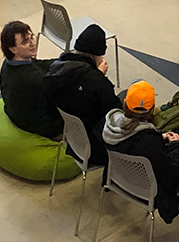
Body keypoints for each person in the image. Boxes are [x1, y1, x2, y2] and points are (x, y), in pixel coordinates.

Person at [103, 80, 179, 221]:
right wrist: (175, 145)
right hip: (152, 191)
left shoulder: (110, 126)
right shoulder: (149, 142)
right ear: (152, 109)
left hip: (122, 180)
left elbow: (133, 140)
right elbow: (171, 176)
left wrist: (161, 138)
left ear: (125, 103)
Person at [45, 24, 122, 165]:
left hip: (73, 141)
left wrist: (95, 74)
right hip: (97, 148)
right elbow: (114, 113)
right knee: (128, 97)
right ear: (97, 55)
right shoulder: (97, 83)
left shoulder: (58, 69)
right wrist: (99, 76)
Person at [0, 20, 58, 139]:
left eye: (31, 38)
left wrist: (67, 60)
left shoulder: (10, 63)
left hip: (18, 113)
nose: (32, 43)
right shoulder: (30, 77)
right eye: (25, 42)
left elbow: (41, 64)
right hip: (40, 125)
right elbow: (57, 90)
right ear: (13, 49)